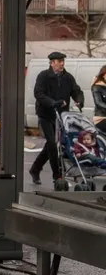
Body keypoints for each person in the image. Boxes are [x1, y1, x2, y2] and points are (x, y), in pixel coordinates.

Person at [31, 51, 84, 189]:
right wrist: (52, 102)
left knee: (52, 146)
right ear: (52, 63)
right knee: (52, 144)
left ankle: (35, 169)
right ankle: (57, 176)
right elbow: (38, 93)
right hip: (46, 114)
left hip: (61, 115)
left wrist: (79, 101)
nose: (61, 64)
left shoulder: (68, 77)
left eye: (62, 61)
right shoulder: (43, 76)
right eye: (59, 61)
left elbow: (77, 91)